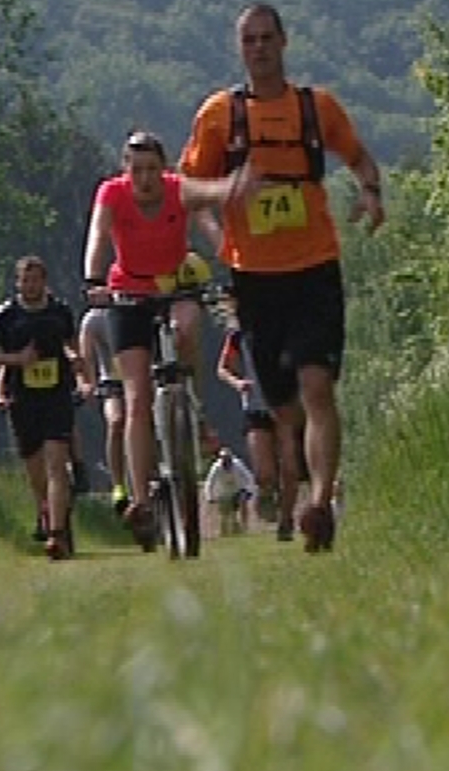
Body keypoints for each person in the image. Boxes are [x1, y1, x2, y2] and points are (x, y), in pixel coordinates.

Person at [180, 2, 386, 553]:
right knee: (283, 409)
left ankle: (320, 505)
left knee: (318, 386)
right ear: (239, 47)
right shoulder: (220, 116)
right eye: (249, 40)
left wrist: (370, 192)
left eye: (268, 38)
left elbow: (360, 158)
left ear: (284, 42)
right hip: (254, 278)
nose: (259, 48)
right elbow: (185, 188)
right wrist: (220, 206)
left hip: (314, 267)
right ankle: (302, 494)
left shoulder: (317, 109)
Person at [82, 129, 251, 549]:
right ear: (125, 170)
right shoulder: (112, 194)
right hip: (127, 294)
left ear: (165, 168)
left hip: (175, 286)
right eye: (136, 170)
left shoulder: (179, 190)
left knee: (184, 326)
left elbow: (209, 219)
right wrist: (94, 277)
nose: (145, 178)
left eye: (152, 169)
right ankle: (141, 499)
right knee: (137, 400)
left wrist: (234, 260)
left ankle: (186, 394)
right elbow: (99, 236)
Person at [0, 256, 94, 560]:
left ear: (45, 282)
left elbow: (71, 343)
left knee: (56, 462)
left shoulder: (60, 311)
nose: (30, 286)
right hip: (22, 399)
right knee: (35, 469)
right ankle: (46, 509)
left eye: (36, 280)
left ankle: (56, 535)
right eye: (25, 281)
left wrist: (76, 365)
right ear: (18, 283)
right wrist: (17, 360)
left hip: (57, 395)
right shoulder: (4, 316)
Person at [216, 302, 294, 538]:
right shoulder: (238, 336)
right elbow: (222, 368)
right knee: (265, 471)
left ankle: (287, 520)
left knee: (290, 467)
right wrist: (238, 383)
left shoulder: (288, 330)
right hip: (255, 406)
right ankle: (266, 493)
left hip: (285, 404)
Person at [78, 304, 130, 516]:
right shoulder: (94, 319)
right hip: (112, 383)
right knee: (116, 422)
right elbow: (85, 356)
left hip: (145, 379)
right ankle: (118, 485)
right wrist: (86, 383)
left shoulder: (141, 309)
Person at [202, 434, 258, 536]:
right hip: (225, 493)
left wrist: (250, 492)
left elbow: (249, 478)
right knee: (225, 512)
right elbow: (210, 482)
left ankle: (244, 527)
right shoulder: (216, 467)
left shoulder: (238, 464)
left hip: (239, 489)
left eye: (228, 458)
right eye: (224, 459)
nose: (226, 461)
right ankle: (225, 530)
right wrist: (209, 497)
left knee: (242, 503)